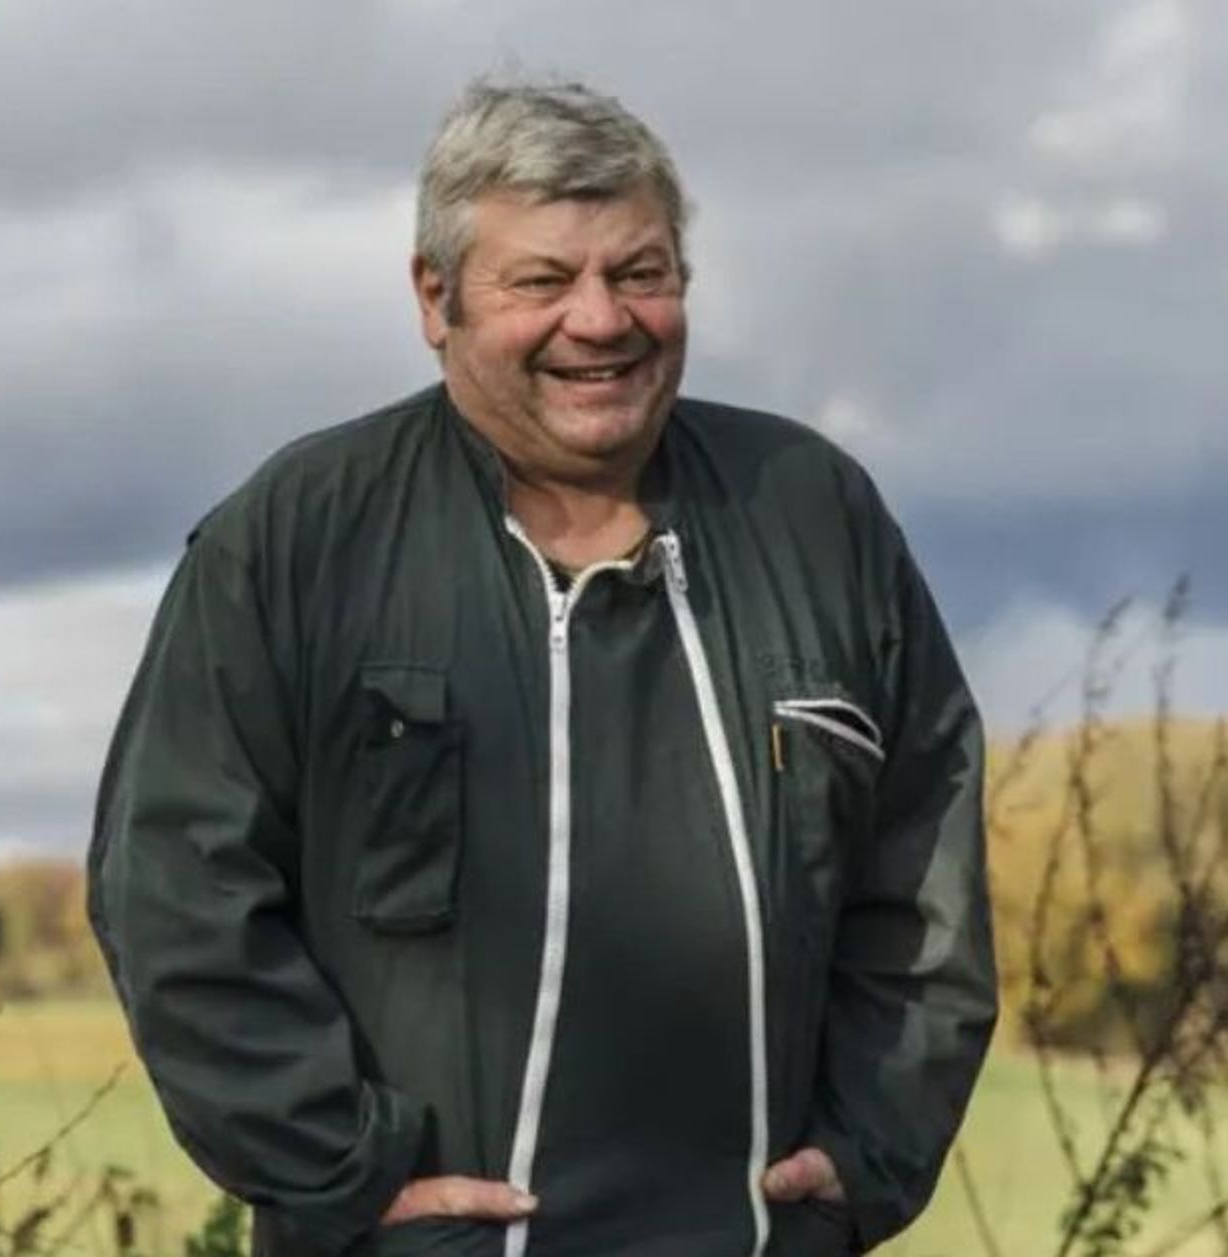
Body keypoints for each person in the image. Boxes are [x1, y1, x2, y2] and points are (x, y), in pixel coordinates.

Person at [88, 79, 997, 1257]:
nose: (601, 319)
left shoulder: (813, 514)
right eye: (542, 281)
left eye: (640, 272)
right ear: (437, 298)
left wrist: (870, 1150)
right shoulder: (300, 540)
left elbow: (924, 869)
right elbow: (175, 892)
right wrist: (342, 1172)